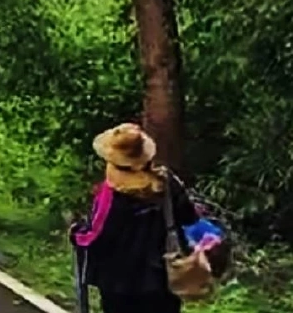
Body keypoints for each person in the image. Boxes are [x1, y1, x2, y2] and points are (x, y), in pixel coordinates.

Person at [72, 123, 199, 313]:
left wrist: (76, 234)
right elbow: (190, 218)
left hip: (119, 284)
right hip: (162, 278)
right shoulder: (166, 182)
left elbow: (96, 236)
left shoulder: (110, 195)